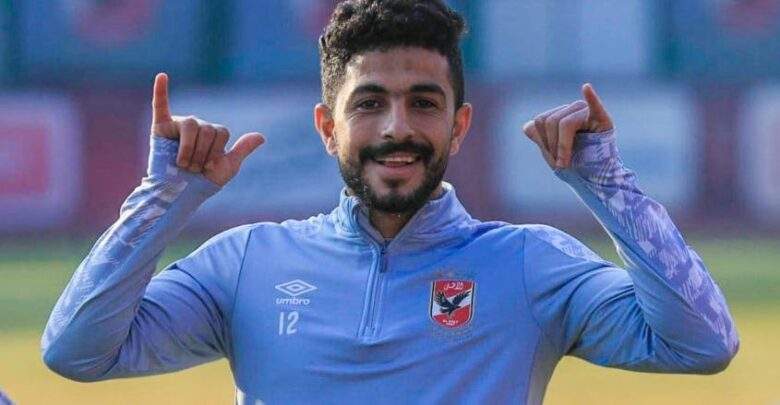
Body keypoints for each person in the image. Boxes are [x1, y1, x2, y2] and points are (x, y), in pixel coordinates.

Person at [42, 1, 739, 403]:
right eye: (369, 103)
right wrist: (162, 198)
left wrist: (607, 184)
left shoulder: (530, 264)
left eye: (424, 103)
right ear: (327, 127)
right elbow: (75, 352)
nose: (396, 128)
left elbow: (703, 343)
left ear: (459, 126)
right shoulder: (246, 263)